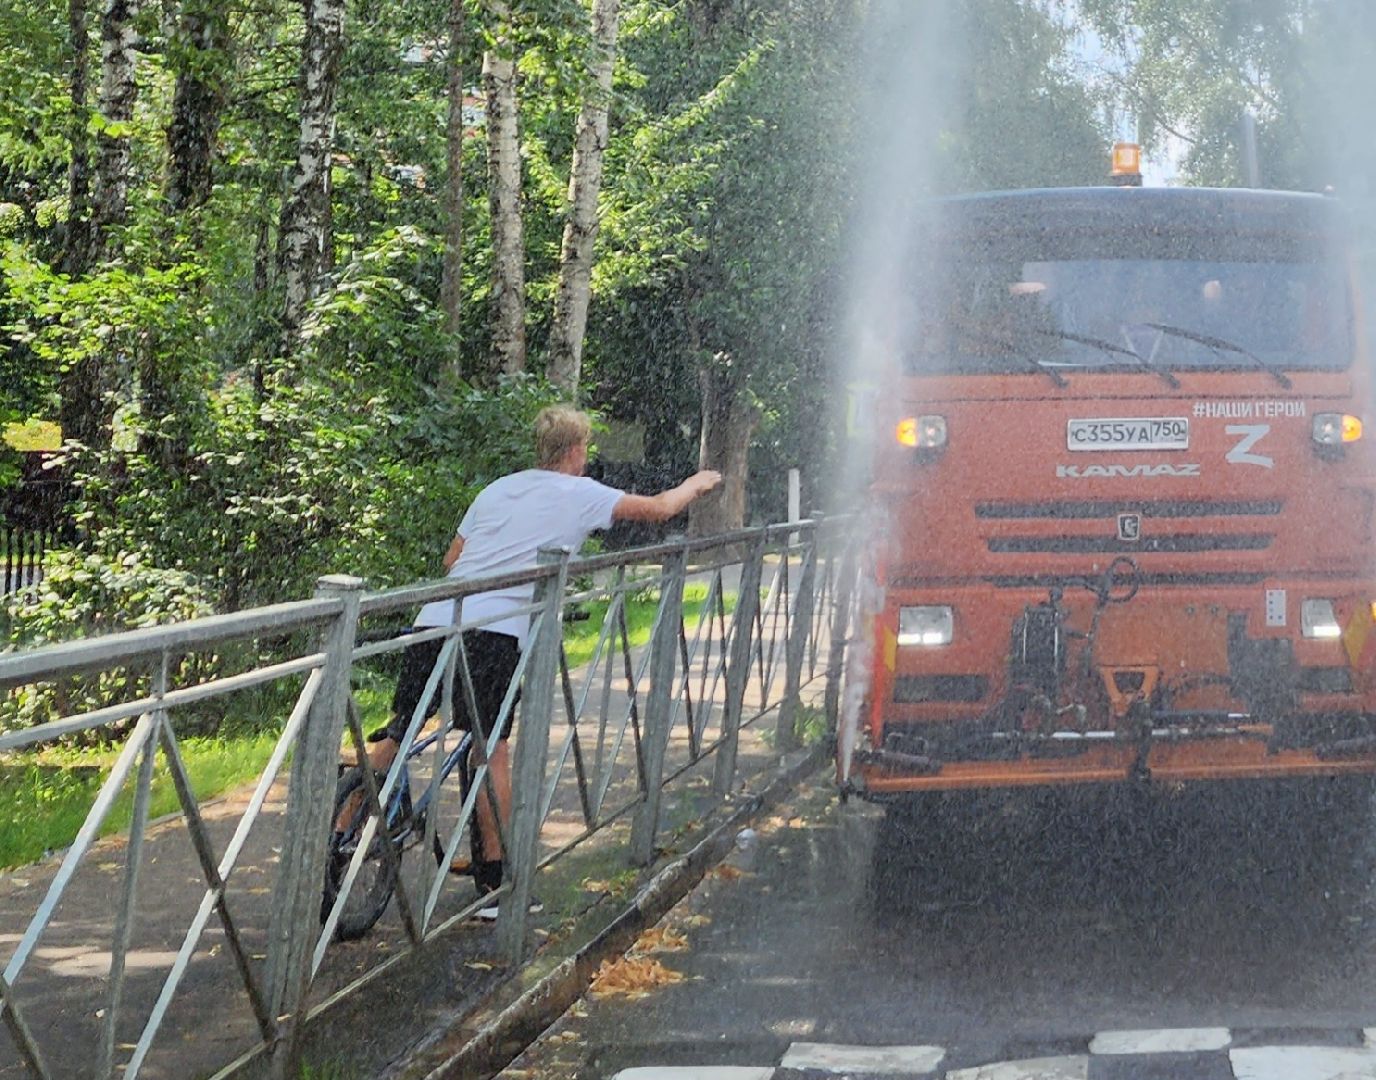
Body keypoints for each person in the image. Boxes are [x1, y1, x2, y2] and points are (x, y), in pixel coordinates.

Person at [361, 405, 721, 916]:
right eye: (585, 450)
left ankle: (339, 836)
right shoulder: (582, 492)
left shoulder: (498, 488)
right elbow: (662, 509)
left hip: (435, 620)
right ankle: (496, 883)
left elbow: (452, 561)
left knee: (399, 732)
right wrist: (697, 483)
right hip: (492, 635)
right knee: (491, 749)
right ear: (577, 451)